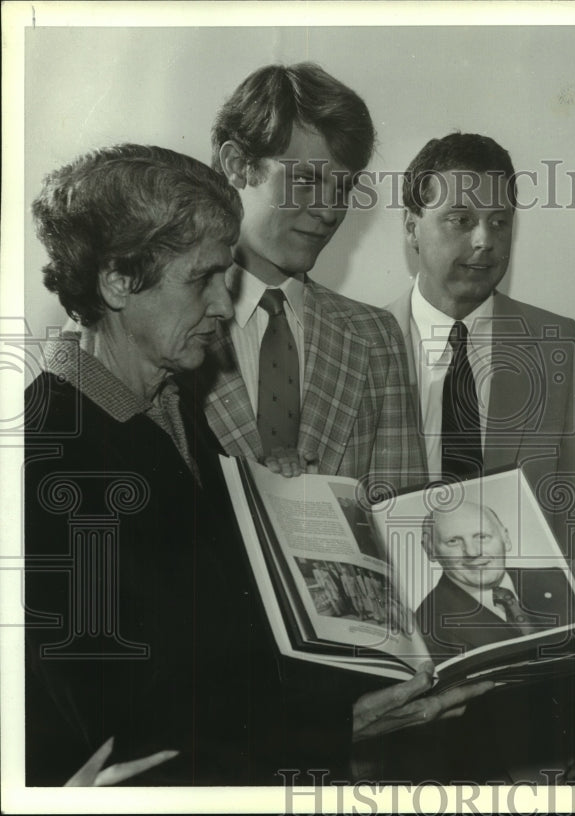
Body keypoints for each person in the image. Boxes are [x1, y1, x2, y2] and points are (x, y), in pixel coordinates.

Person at [23, 144, 491, 786]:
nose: (223, 305)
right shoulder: (47, 457)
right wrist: (335, 727)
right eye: (203, 278)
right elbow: (126, 733)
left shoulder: (166, 409)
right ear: (117, 281)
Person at [382, 132, 575, 782]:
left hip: (527, 691)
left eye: (500, 222)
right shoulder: (359, 343)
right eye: (460, 220)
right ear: (412, 227)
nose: (485, 241)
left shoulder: (554, 343)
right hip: (403, 684)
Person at [198, 62, 424, 494]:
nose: (328, 211)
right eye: (305, 180)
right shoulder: (166, 322)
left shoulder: (376, 339)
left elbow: (404, 524)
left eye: (342, 189)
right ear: (237, 165)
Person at [417, 502, 575, 659]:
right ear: (430, 551)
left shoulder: (560, 579)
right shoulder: (425, 625)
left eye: (482, 536)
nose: (473, 552)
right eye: (453, 541)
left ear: (506, 539)